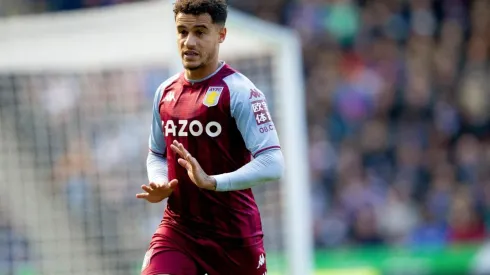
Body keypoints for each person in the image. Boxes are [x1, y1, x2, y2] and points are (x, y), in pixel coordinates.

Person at [136, 0, 284, 274]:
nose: (189, 42)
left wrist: (212, 182)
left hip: (234, 236)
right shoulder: (165, 92)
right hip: (179, 230)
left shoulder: (240, 91)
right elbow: (157, 153)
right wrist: (160, 182)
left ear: (221, 35)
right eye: (182, 31)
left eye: (200, 32)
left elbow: (273, 162)